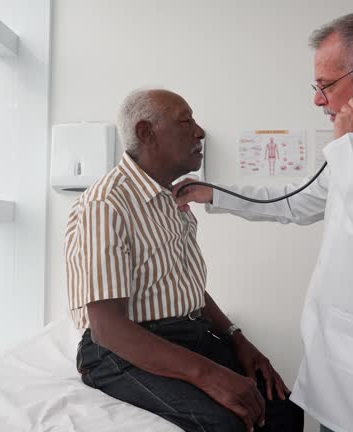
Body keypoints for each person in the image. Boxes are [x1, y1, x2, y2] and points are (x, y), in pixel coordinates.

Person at [174, 13, 353, 432]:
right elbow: (297, 201)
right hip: (336, 362)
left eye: (325, 85)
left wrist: (352, 145)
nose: (317, 100)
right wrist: (215, 193)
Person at [65, 89, 304, 432]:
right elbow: (108, 329)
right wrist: (212, 376)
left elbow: (183, 288)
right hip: (122, 349)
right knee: (229, 423)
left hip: (187, 333)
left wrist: (238, 340)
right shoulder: (106, 205)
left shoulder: (171, 199)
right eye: (185, 121)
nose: (200, 131)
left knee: (284, 408)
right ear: (146, 132)